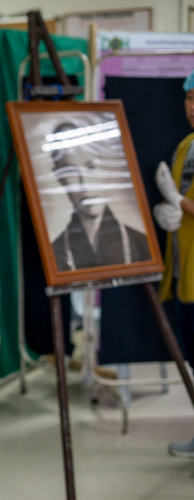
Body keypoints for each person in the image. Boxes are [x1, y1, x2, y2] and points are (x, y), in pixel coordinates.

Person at [153, 69, 194, 459]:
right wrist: (164, 209)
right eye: (190, 97)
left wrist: (175, 200)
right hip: (186, 275)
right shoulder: (185, 146)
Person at [48, 121, 151, 271]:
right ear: (58, 176)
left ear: (105, 165)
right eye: (70, 171)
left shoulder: (140, 243)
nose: (84, 183)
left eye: (91, 167)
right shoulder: (54, 251)